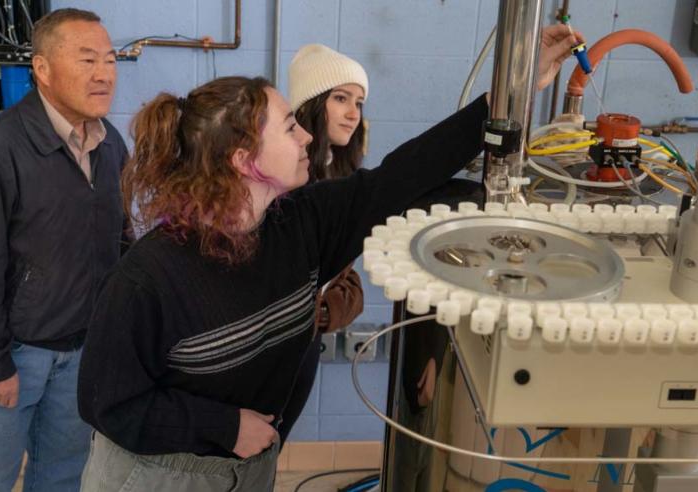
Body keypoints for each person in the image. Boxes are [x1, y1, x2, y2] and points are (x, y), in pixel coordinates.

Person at [77, 25, 581, 492]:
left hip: (247, 465)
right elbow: (107, 403)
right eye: (291, 128)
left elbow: (398, 177)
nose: (308, 138)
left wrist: (510, 92)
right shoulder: (149, 278)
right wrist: (225, 426)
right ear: (243, 160)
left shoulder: (304, 223)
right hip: (157, 474)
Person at [0, 8, 128, 491]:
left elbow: (120, 244)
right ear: (42, 69)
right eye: (86, 60)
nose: (103, 73)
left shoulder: (110, 145)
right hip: (13, 357)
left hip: (80, 354)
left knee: (62, 478)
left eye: (109, 59)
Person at [276, 43, 369, 444]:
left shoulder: (340, 176)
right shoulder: (282, 181)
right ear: (313, 104)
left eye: (359, 102)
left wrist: (321, 314)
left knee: (276, 439)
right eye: (340, 98)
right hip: (271, 344)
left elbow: (346, 282)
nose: (353, 113)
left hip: (305, 340)